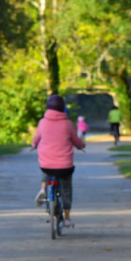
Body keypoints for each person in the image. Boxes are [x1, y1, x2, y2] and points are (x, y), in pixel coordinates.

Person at [32, 94, 85, 227]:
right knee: (66, 188)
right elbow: (76, 141)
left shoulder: (42, 123)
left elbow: (36, 139)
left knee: (46, 167)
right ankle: (67, 218)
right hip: (65, 166)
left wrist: (33, 145)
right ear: (63, 107)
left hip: (47, 165)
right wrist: (81, 146)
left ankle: (43, 189)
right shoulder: (68, 124)